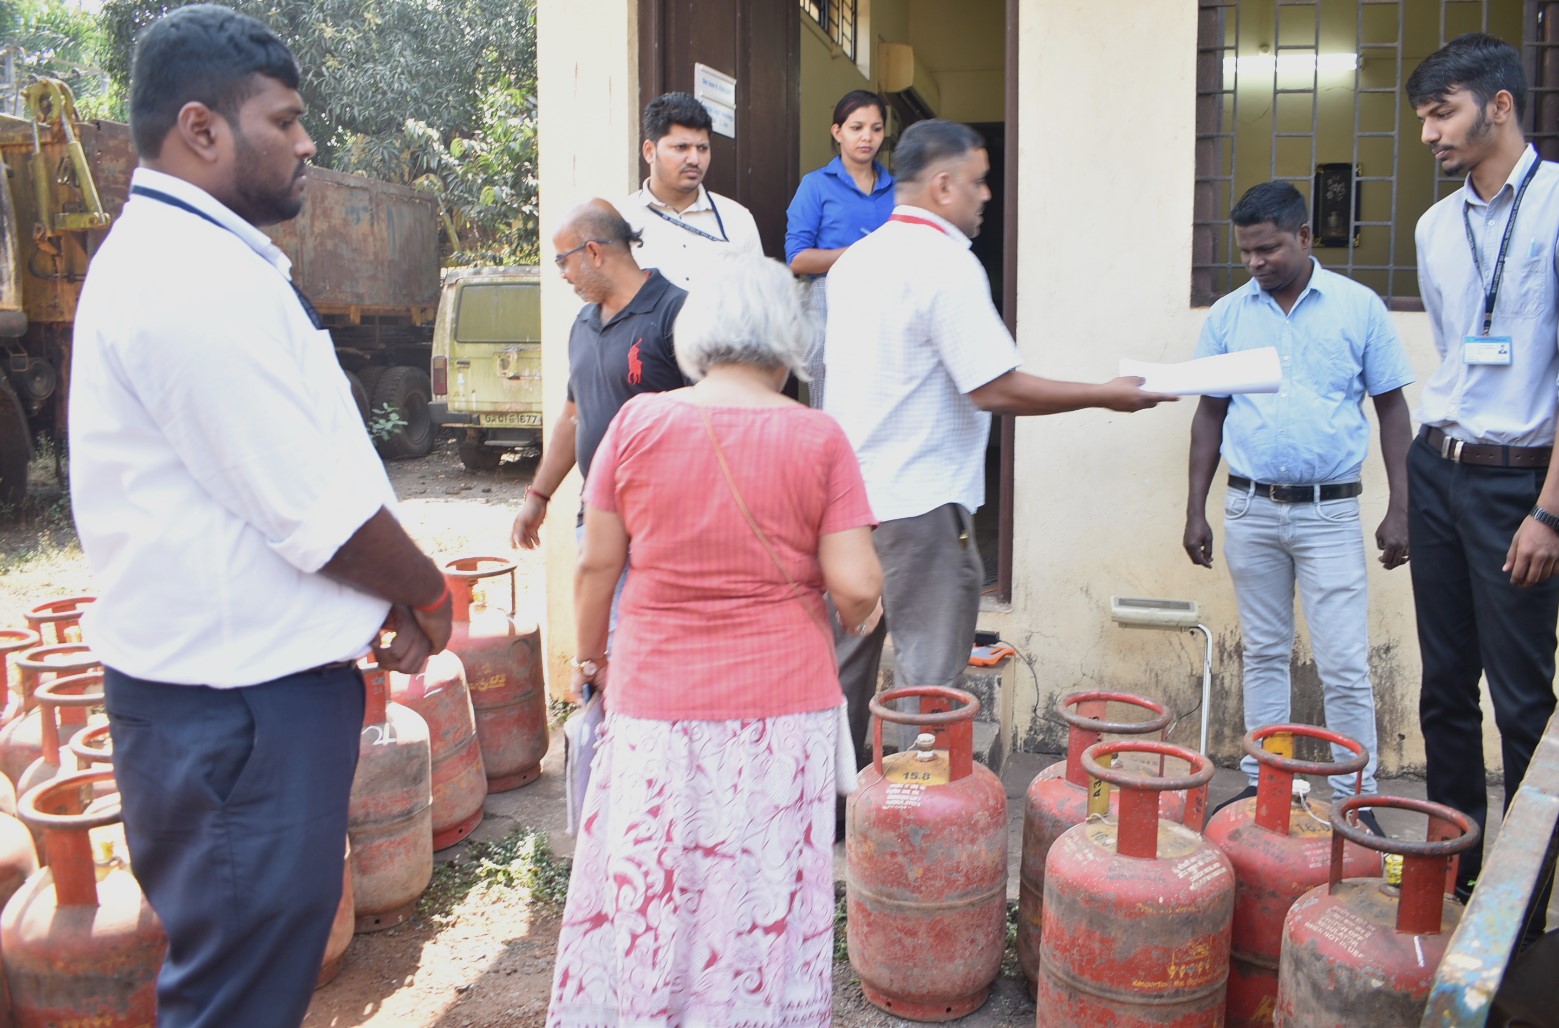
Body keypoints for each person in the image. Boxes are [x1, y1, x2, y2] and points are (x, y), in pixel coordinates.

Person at [66, 6, 452, 1025]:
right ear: (202, 129)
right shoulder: (184, 277)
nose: (309, 142)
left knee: (254, 969)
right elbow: (313, 509)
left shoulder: (202, 258)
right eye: (285, 120)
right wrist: (422, 587)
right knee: (239, 988)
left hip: (238, 699)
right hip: (234, 711)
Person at [546, 253, 882, 1026]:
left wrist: (589, 662)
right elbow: (857, 585)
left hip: (655, 700)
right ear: (788, 335)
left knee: (658, 888)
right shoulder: (819, 437)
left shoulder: (636, 423)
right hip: (782, 707)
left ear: (700, 330)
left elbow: (597, 565)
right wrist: (859, 605)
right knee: (759, 895)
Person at [823, 118, 1175, 770]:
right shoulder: (945, 263)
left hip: (846, 506)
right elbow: (994, 387)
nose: (986, 197)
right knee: (929, 686)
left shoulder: (854, 262)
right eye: (980, 183)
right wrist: (1105, 393)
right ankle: (917, 827)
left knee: (842, 668)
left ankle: (829, 820)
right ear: (943, 184)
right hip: (921, 505)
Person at [1183, 181, 1414, 822]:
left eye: (1269, 249)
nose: (1256, 263)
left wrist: (1402, 506)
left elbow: (1394, 410)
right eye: (1247, 252)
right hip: (1251, 509)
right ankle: (1267, 786)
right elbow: (1209, 413)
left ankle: (1353, 798)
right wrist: (1195, 506)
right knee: (1262, 653)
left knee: (1342, 662)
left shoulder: (1357, 308)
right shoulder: (1229, 315)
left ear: (1305, 237)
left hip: (1330, 512)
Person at [1407, 33, 1559, 910]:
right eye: (1423, 117)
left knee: (1521, 702)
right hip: (1439, 469)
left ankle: (1521, 906)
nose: (1429, 134)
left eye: (1442, 113)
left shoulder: (1554, 206)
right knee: (1442, 689)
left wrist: (1549, 512)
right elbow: (1456, 355)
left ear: (1498, 106)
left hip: (1520, 485)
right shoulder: (1434, 226)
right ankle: (1451, 879)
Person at [510, 200, 688, 561]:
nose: (562, 273)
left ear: (592, 251)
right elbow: (574, 416)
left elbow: (712, 421)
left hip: (663, 526)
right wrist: (538, 497)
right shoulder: (583, 323)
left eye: (563, 260)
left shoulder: (677, 312)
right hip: (594, 519)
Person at [785, 89, 895, 407]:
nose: (867, 137)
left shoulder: (899, 189)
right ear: (837, 131)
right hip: (829, 300)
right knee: (832, 399)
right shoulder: (816, 185)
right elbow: (797, 259)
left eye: (876, 128)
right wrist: (859, 253)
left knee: (885, 396)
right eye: (856, 127)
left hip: (888, 300)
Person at [617, 91, 762, 290]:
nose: (694, 159)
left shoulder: (737, 219)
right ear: (650, 151)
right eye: (681, 147)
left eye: (702, 148)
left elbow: (758, 299)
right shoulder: (620, 218)